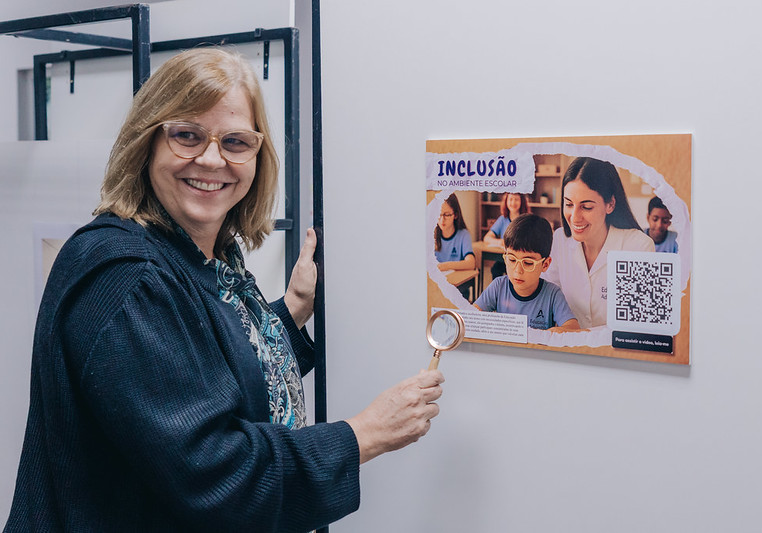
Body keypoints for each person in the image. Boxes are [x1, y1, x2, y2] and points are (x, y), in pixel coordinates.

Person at [5, 48, 444, 533]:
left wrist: (288, 316)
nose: (213, 159)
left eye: (236, 142)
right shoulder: (127, 277)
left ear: (258, 156)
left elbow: (195, 375)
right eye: (187, 135)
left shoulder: (205, 256)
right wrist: (363, 435)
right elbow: (214, 475)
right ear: (146, 142)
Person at [541, 157, 654, 328]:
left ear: (610, 204)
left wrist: (579, 335)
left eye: (586, 207)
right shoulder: (560, 240)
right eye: (569, 204)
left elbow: (637, 325)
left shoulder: (639, 246)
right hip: (566, 350)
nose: (575, 217)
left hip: (612, 353)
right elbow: (547, 296)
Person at [474, 214, 579, 332]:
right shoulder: (498, 286)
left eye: (528, 263)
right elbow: (472, 316)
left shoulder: (553, 294)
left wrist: (555, 333)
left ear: (545, 264)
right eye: (512, 260)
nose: (518, 270)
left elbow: (573, 327)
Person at [483, 192, 529, 279]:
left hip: (521, 260)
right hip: (505, 258)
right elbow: (487, 238)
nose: (513, 203)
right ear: (506, 201)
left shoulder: (527, 220)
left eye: (516, 199)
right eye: (510, 199)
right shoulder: (502, 219)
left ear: (522, 201)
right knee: (496, 269)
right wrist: (499, 242)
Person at [434, 193, 475, 272]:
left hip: (456, 280)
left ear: (455, 215)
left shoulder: (463, 234)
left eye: (447, 215)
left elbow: (471, 263)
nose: (442, 220)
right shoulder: (431, 234)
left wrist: (445, 266)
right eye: (439, 214)